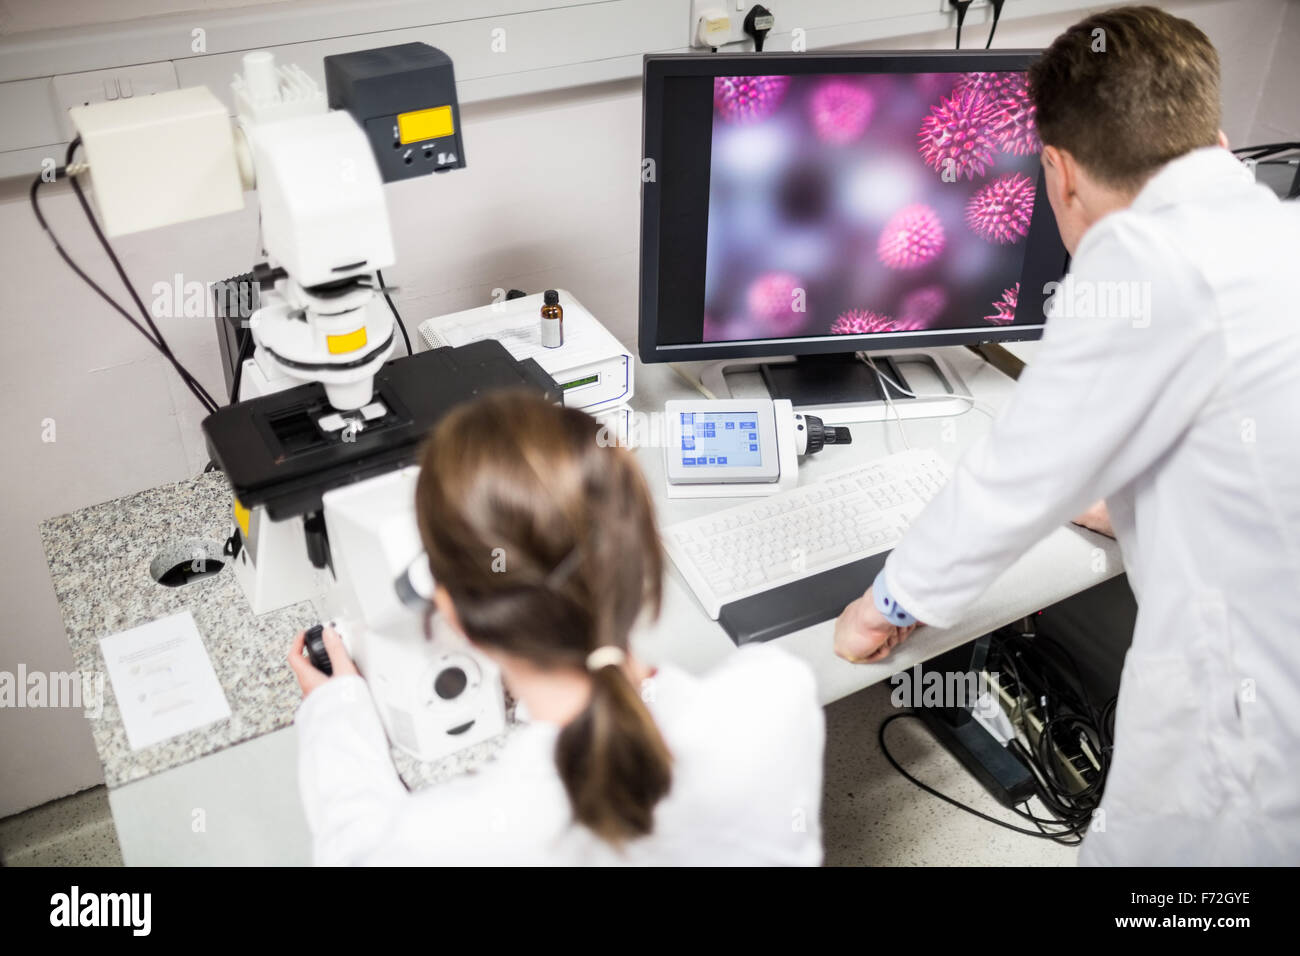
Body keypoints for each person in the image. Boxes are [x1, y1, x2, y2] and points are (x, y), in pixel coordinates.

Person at [834, 5, 1300, 865]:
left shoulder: (1143, 261)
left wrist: (883, 607)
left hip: (1248, 733)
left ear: (1059, 171)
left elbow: (1006, 486)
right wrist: (1124, 505)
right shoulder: (1278, 234)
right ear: (1214, 136)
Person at [288, 392, 825, 865]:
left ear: (452, 614)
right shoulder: (777, 694)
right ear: (642, 559)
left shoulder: (456, 840)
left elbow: (352, 846)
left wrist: (335, 711)